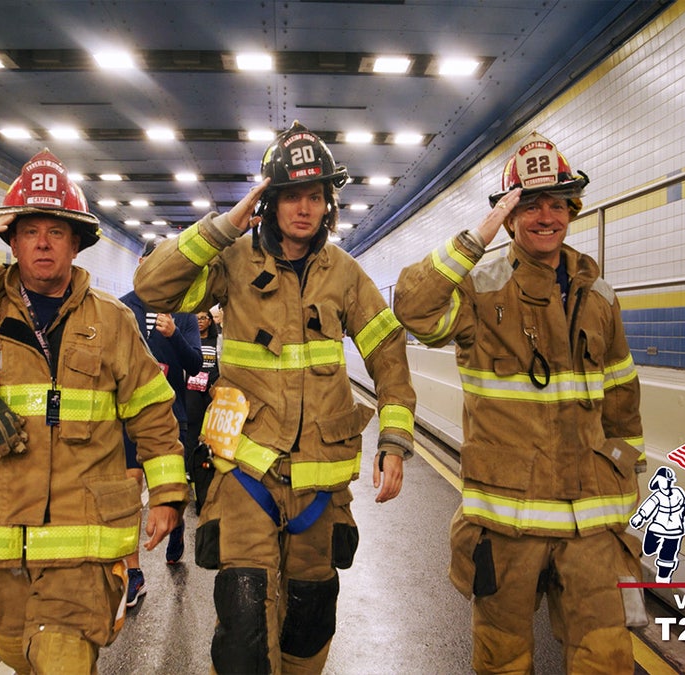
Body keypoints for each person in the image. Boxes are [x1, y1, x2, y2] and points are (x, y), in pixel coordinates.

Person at [0, 148, 188, 674]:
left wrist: (168, 493)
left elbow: (153, 412)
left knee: (62, 659)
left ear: (76, 243)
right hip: (5, 547)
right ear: (13, 241)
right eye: (30, 231)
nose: (43, 243)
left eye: (56, 231)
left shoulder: (112, 321)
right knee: (18, 656)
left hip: (83, 547)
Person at [134, 121, 417, 674]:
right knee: (243, 631)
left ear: (329, 204)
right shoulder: (233, 262)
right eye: (291, 196)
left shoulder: (346, 275)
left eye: (315, 196)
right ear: (269, 200)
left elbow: (387, 350)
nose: (304, 209)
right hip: (245, 476)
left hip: (319, 487)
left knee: (307, 627)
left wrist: (394, 437)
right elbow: (154, 286)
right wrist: (223, 227)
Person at [393, 131, 647, 673]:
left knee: (607, 660)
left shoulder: (599, 295)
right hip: (506, 524)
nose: (546, 217)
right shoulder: (479, 290)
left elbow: (622, 397)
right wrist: (476, 236)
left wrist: (626, 478)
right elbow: (413, 308)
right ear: (509, 218)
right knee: (502, 661)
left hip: (591, 526)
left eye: (557, 203)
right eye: (530, 205)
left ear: (573, 210)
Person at [119, 239, 202, 603]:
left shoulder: (184, 313)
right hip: (128, 416)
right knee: (129, 488)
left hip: (172, 414)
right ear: (142, 264)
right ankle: (133, 572)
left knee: (170, 489)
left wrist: (174, 335)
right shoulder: (121, 308)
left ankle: (177, 523)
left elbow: (195, 365)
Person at [183, 308, 221, 514]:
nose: (199, 321)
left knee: (211, 432)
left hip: (212, 390)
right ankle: (189, 469)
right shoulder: (190, 339)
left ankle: (211, 469)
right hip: (192, 389)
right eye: (196, 318)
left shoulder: (218, 341)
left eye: (204, 318)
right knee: (192, 430)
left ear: (210, 321)